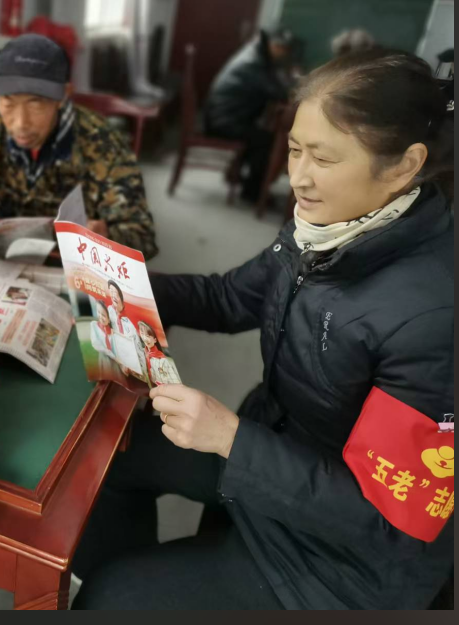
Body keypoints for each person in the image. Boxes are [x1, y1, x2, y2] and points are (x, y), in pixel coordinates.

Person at [72, 50, 454, 610]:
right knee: (107, 455)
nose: (296, 177)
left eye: (322, 158)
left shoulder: (434, 316)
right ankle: (151, 579)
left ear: (402, 166)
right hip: (272, 453)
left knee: (110, 600)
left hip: (338, 565)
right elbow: (229, 297)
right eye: (295, 149)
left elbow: (388, 522)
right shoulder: (322, 227)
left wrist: (232, 439)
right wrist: (119, 279)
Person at [0, 34, 159, 259]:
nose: (20, 123)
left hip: (67, 270)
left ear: (63, 95)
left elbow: (142, 236)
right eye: (8, 103)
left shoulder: (104, 144)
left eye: (35, 104)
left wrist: (108, 236)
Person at [205, 28, 296, 203]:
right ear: (273, 45)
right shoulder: (254, 63)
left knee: (262, 135)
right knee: (267, 141)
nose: (284, 54)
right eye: (282, 49)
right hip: (223, 123)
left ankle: (238, 174)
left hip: (224, 118)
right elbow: (278, 92)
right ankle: (252, 192)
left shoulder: (254, 54)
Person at [136, 320, 169, 388]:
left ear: (155, 340)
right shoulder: (142, 352)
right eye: (142, 334)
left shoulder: (160, 358)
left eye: (148, 335)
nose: (145, 338)